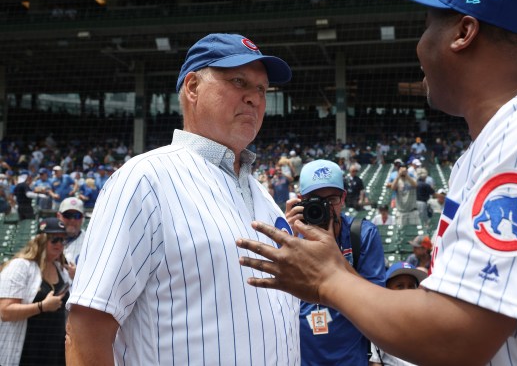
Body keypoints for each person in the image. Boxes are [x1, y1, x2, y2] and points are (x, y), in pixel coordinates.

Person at [236, 0, 517, 365]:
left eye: (427, 26)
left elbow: (457, 338)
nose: (420, 45)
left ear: (464, 32)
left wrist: (327, 279)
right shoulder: (500, 140)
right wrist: (334, 270)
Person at [65, 33, 300, 366]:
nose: (254, 99)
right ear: (192, 87)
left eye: (262, 89)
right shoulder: (145, 179)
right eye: (238, 81)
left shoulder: (264, 195)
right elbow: (86, 330)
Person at [286, 159, 385, 366]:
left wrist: (335, 259)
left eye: (331, 199)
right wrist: (286, 237)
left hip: (350, 358)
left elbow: (378, 299)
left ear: (343, 199)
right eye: (314, 199)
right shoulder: (290, 236)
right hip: (301, 357)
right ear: (301, 200)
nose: (324, 207)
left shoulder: (362, 234)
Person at [0, 217, 70, 366]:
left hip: (53, 351)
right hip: (26, 350)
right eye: (55, 239)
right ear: (41, 240)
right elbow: (5, 312)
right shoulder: (20, 266)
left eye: (63, 240)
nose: (59, 244)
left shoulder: (61, 270)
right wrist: (42, 306)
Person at [369, 262, 427, 366]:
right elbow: (375, 363)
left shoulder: (427, 321)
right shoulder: (380, 323)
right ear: (387, 289)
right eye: (400, 286)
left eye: (411, 286)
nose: (406, 291)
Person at [57, 197, 85, 270]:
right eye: (68, 215)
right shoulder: (47, 241)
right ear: (58, 216)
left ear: (82, 218)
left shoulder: (90, 243)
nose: (72, 220)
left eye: (77, 216)